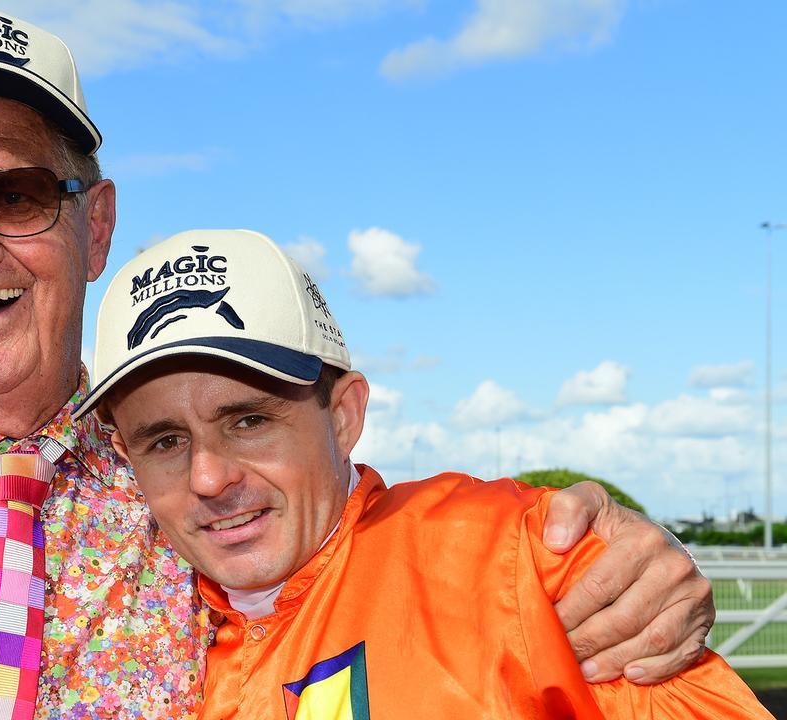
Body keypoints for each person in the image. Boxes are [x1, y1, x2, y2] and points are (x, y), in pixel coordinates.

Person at [0, 10, 716, 720]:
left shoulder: (193, 507)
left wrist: (586, 555)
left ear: (96, 227)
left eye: (16, 194)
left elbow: (401, 565)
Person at [76, 228, 769, 719]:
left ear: (344, 416)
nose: (207, 476)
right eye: (165, 440)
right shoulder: (146, 640)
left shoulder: (525, 563)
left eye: (248, 420)